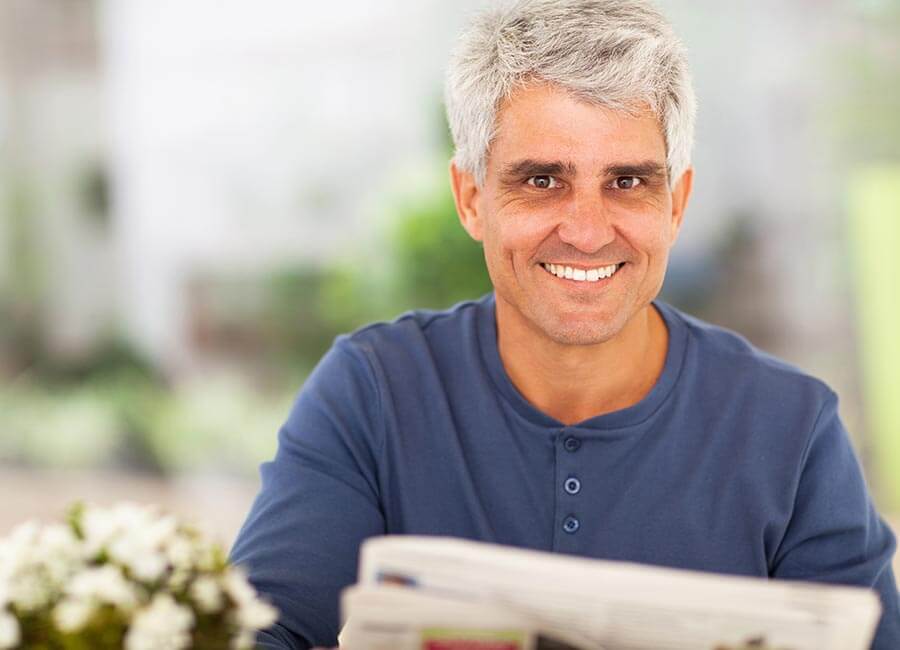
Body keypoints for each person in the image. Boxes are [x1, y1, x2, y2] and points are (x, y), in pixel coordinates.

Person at [230, 1, 900, 648]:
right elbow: (257, 631)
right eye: (543, 180)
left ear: (677, 204)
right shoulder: (374, 393)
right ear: (471, 199)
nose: (586, 231)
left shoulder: (791, 428)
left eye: (628, 182)